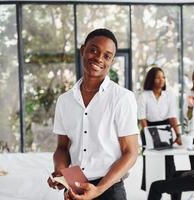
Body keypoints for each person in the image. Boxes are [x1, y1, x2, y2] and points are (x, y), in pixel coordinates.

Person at [47, 28, 139, 200]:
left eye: (107, 56)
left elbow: (131, 152)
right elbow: (62, 147)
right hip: (74, 187)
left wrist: (99, 189)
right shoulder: (64, 101)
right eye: (94, 50)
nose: (98, 58)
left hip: (110, 191)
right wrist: (60, 170)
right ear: (83, 50)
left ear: (111, 61)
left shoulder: (122, 98)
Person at [137, 67, 182, 191]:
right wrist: (149, 136)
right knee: (152, 162)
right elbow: (142, 119)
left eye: (163, 77)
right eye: (158, 77)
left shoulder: (170, 94)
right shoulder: (144, 95)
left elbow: (172, 116)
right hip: (148, 128)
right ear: (152, 79)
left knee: (169, 162)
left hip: (165, 129)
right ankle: (153, 191)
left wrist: (178, 135)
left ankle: (171, 188)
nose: (161, 80)